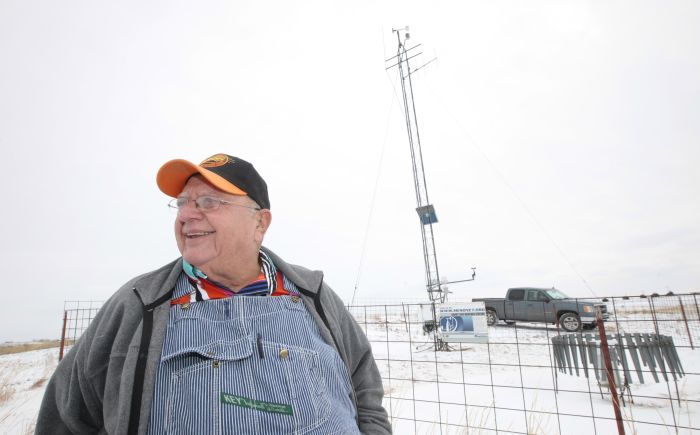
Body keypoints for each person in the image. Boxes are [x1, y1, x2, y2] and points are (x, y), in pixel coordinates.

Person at [36, 153, 392, 435]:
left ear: (260, 222)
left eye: (208, 201)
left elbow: (364, 390)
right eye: (182, 203)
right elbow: (67, 414)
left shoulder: (312, 296)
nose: (187, 215)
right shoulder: (138, 303)